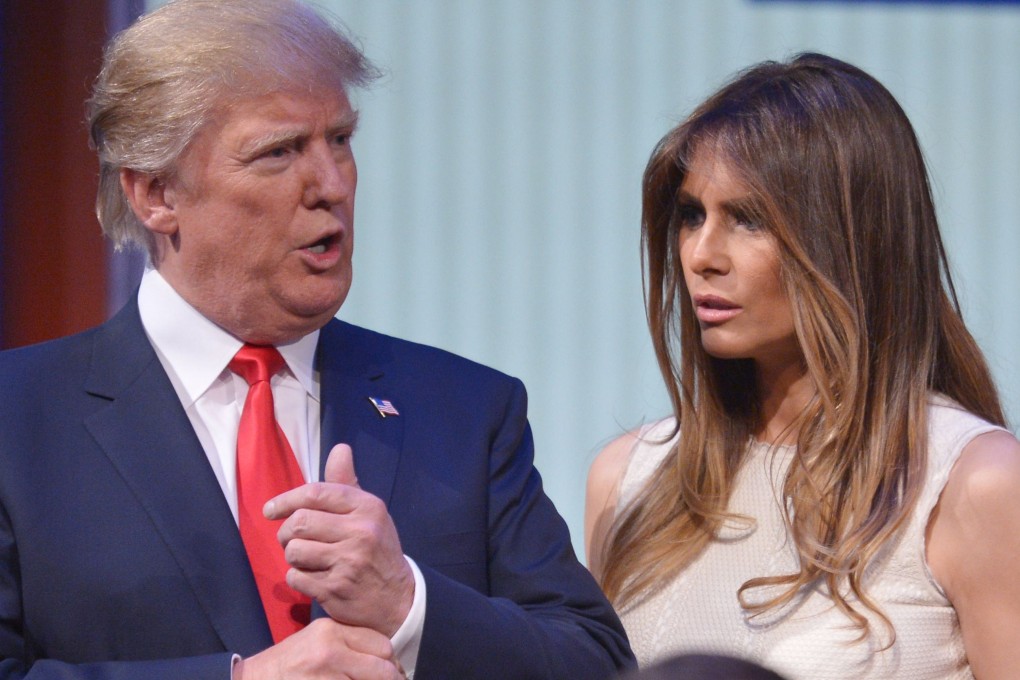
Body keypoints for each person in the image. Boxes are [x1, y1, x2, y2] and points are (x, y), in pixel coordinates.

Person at [0, 1, 634, 678]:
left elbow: (597, 664)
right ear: (157, 194)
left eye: (340, 139)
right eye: (279, 152)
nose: (332, 184)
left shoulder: (466, 410)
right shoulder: (18, 419)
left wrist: (408, 605)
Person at [585, 53, 1020, 679]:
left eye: (748, 219)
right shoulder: (629, 479)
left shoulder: (973, 482)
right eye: (691, 215)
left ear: (853, 240)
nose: (701, 255)